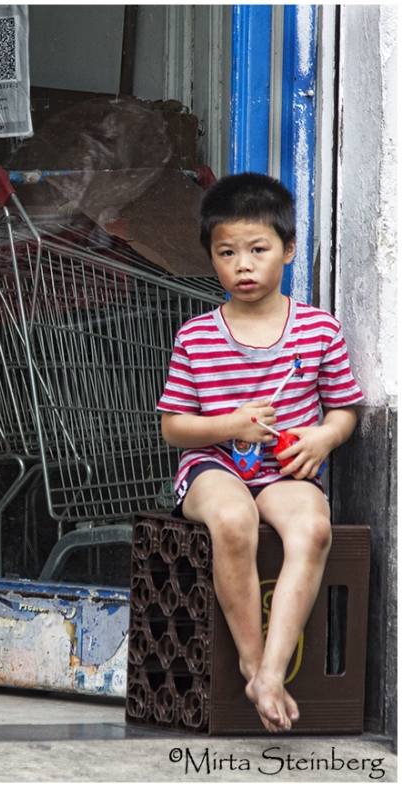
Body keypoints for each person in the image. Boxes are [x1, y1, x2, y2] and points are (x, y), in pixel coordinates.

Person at [158, 172, 363, 733]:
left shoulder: (318, 331)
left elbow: (345, 409)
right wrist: (231, 424)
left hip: (285, 470)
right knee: (232, 517)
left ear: (288, 250)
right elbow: (174, 428)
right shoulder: (196, 337)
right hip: (212, 466)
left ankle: (272, 671)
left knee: (313, 530)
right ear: (211, 258)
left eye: (258, 249)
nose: (243, 265)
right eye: (227, 253)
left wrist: (324, 436)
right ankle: (251, 659)